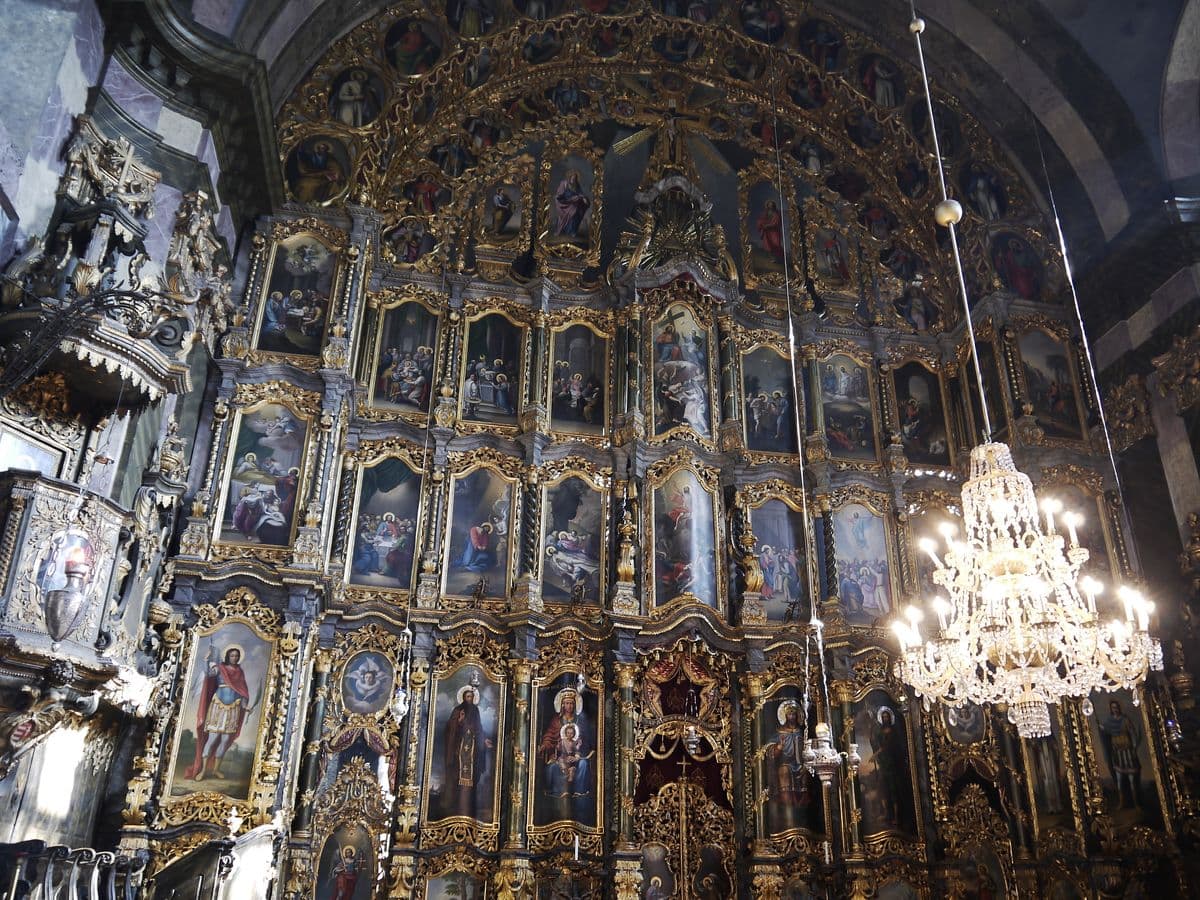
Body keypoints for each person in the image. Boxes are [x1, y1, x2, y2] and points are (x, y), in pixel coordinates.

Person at [186, 645, 253, 781]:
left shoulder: (239, 672)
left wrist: (245, 706)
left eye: (237, 656)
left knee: (225, 740)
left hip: (233, 709)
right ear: (227, 656)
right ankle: (203, 770)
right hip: (218, 707)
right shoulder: (220, 668)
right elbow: (208, 673)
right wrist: (206, 660)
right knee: (212, 739)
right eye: (232, 655)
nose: (234, 658)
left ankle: (216, 770)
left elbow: (242, 692)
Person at [441, 684, 493, 817]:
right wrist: (459, 721)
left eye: (472, 697)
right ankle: (456, 809)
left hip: (473, 751)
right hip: (459, 750)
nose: (470, 699)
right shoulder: (458, 710)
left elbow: (478, 728)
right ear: (463, 697)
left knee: (473, 780)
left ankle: (470, 809)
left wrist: (484, 740)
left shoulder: (475, 710)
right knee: (457, 778)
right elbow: (450, 729)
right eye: (468, 696)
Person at [767, 700, 814, 829]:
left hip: (801, 764)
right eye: (789, 714)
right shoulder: (780, 733)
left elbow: (810, 749)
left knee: (807, 774)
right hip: (785, 763)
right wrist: (779, 747)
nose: (792, 717)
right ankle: (787, 810)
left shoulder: (802, 733)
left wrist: (806, 762)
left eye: (794, 714)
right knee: (784, 771)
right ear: (785, 716)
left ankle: (803, 813)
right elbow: (769, 752)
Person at [1099, 699, 1144, 809]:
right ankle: (1121, 802)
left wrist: (1134, 747)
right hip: (1117, 753)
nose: (1115, 709)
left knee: (1132, 780)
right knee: (1119, 780)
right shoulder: (1109, 721)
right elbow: (1105, 730)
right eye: (1113, 707)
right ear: (1111, 709)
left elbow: (1132, 733)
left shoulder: (1125, 720)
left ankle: (1136, 803)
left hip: (1127, 752)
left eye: (1116, 707)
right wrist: (1100, 727)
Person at [870, 706, 906, 827]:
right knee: (884, 789)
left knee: (893, 790)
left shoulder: (894, 730)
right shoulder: (880, 730)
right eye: (883, 717)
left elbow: (887, 745)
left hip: (892, 763)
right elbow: (876, 741)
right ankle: (887, 814)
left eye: (887, 717)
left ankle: (896, 816)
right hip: (884, 763)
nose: (885, 719)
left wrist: (876, 754)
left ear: (890, 718)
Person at [554, 169, 590, 238]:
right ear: (569, 177)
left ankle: (573, 231)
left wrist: (583, 198)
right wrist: (570, 199)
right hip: (565, 203)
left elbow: (580, 193)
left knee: (578, 210)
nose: (573, 180)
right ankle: (566, 230)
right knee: (574, 210)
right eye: (573, 178)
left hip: (574, 203)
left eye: (575, 179)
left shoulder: (576, 185)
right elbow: (559, 195)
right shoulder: (564, 183)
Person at [756, 199, 785, 263]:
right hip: (767, 232)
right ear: (767, 206)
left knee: (776, 244)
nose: (770, 206)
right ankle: (772, 258)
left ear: (774, 206)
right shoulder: (765, 213)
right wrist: (762, 224)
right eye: (769, 205)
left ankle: (779, 258)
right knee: (768, 245)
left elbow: (776, 222)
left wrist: (768, 225)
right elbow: (761, 220)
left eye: (772, 205)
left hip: (774, 232)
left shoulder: (776, 214)